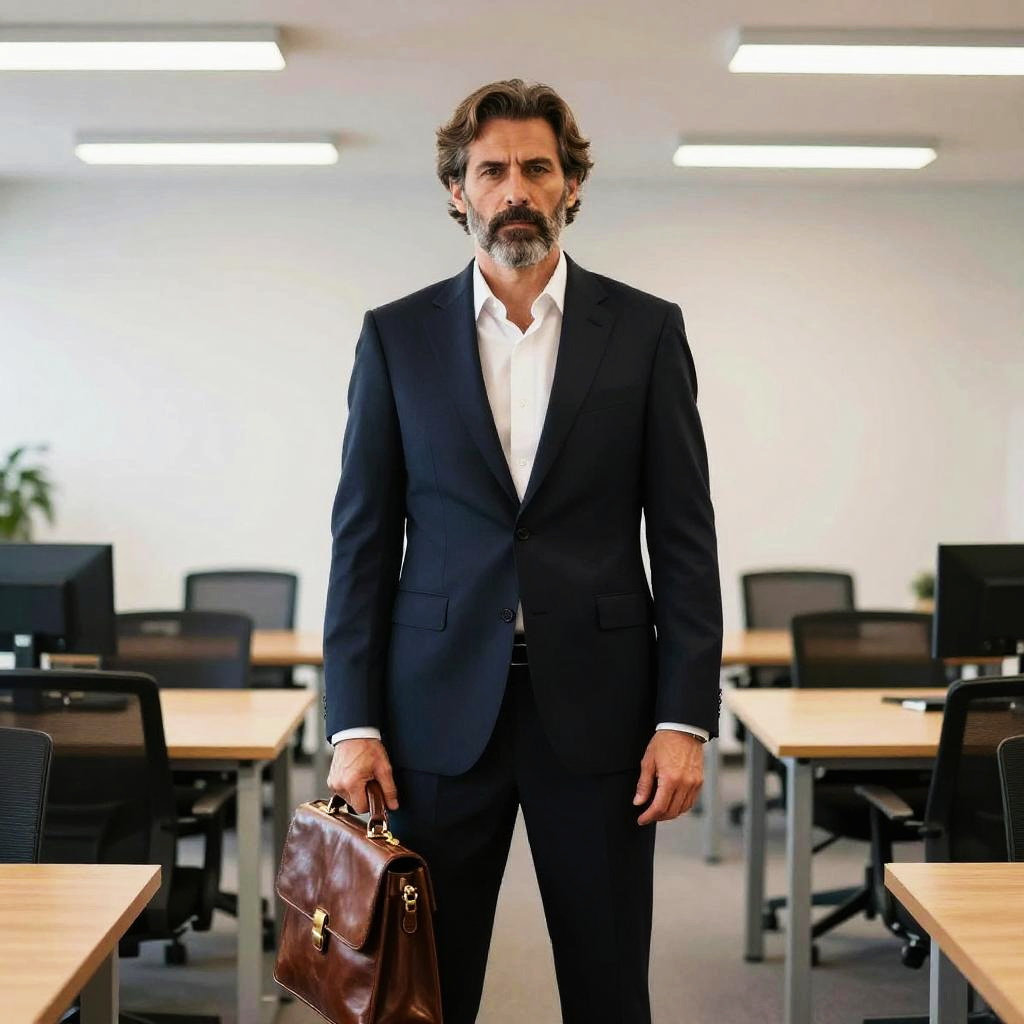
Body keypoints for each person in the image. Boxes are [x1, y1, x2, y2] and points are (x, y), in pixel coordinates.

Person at [323, 78, 722, 1024]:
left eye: (537, 168)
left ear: (571, 187)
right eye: (491, 169)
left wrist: (684, 717)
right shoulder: (397, 337)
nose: (516, 188)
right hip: (434, 717)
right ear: (458, 189)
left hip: (603, 713)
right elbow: (363, 542)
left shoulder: (646, 330)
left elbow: (685, 536)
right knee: (426, 988)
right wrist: (354, 723)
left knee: (609, 981)